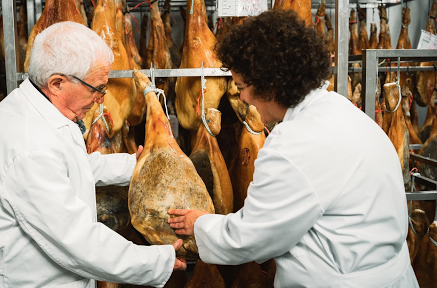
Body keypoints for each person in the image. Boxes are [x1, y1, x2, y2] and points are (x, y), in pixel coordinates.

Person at [168, 9, 419, 288]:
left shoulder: (295, 144)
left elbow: (252, 238)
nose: (243, 97)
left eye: (242, 86)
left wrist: (200, 224)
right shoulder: (341, 110)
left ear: (271, 84)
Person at [0, 21, 186, 288]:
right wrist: (156, 262)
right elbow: (76, 240)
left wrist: (136, 166)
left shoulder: (42, 109)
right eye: (97, 88)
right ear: (57, 83)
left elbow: (74, 165)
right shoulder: (26, 142)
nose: (101, 99)